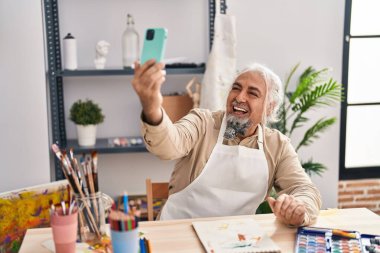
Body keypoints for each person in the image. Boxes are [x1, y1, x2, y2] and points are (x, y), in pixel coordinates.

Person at [131, 59, 322, 227]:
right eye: (236, 88)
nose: (239, 97)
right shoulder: (203, 122)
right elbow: (167, 145)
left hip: (233, 240)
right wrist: (152, 107)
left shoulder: (277, 145)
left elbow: (305, 189)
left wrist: (299, 208)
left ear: (270, 107)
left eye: (253, 93)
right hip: (177, 233)